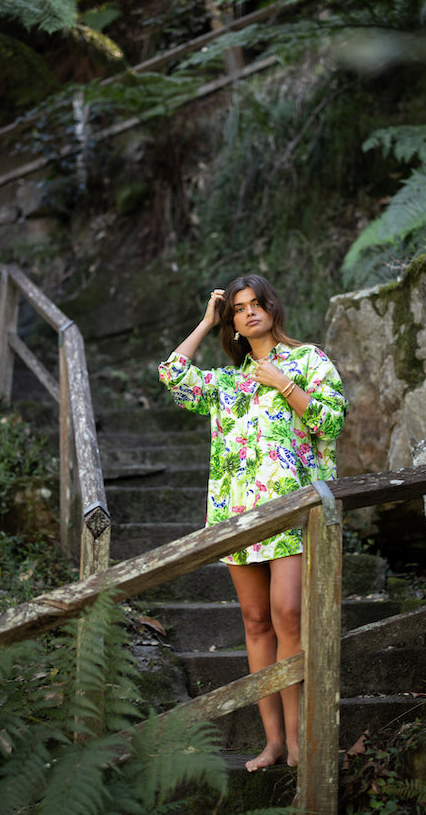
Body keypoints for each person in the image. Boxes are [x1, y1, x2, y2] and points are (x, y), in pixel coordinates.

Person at [158, 274, 347, 772]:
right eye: (239, 308)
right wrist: (206, 321)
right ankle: (274, 743)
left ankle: (302, 741)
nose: (249, 312)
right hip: (237, 517)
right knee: (256, 621)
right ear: (233, 323)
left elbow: (331, 422)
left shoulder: (309, 360)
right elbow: (173, 375)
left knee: (288, 613)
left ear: (272, 308)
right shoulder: (226, 383)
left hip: (290, 511)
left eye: (256, 303)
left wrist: (283, 383)